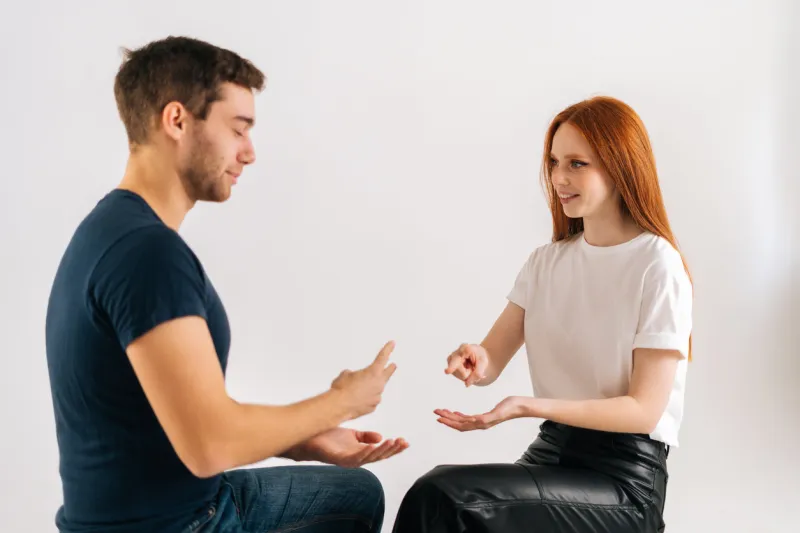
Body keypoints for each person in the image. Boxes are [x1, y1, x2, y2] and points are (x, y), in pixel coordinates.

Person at [45, 36, 408, 533]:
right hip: (174, 524)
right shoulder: (149, 256)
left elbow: (171, 416)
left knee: (356, 492)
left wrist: (303, 439)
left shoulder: (109, 228)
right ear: (177, 120)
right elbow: (209, 444)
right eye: (238, 130)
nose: (250, 153)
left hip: (143, 510)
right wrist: (343, 400)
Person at [392, 96, 693, 533]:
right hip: (553, 454)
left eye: (576, 164)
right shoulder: (545, 262)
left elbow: (644, 411)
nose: (558, 178)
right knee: (446, 502)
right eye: (553, 162)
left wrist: (527, 406)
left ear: (620, 165)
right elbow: (491, 360)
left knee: (445, 497)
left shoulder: (657, 265)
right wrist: (474, 359)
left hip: (624, 479)